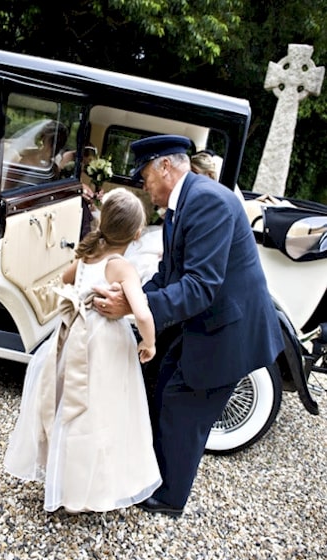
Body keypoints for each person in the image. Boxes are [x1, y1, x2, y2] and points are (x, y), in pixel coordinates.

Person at [93, 134, 285, 517]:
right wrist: (128, 299)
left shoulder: (207, 201)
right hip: (205, 323)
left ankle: (168, 500)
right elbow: (167, 276)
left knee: (182, 405)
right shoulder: (182, 205)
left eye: (145, 174)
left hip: (230, 332)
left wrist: (130, 306)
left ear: (165, 165)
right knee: (161, 382)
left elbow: (200, 286)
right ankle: (151, 477)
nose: (143, 185)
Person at [4, 187, 161, 514]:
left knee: (67, 404)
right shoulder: (122, 267)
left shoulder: (88, 255)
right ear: (136, 234)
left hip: (74, 334)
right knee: (98, 410)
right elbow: (143, 313)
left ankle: (62, 477)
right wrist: (150, 342)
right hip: (103, 344)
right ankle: (86, 488)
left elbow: (63, 281)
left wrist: (80, 300)